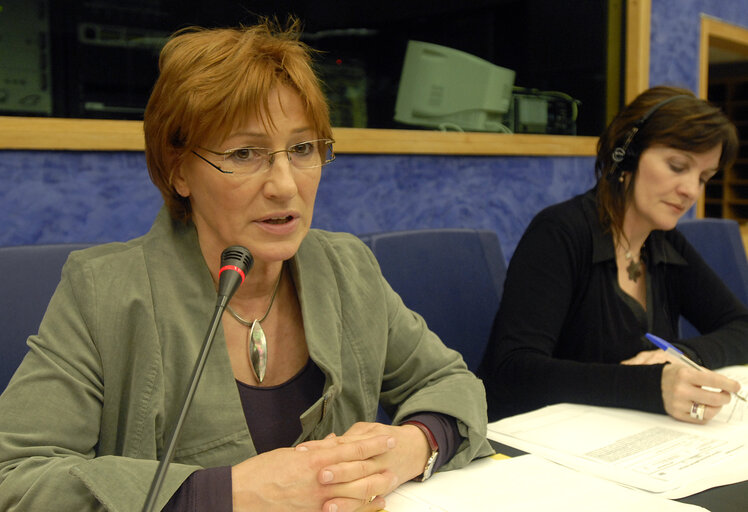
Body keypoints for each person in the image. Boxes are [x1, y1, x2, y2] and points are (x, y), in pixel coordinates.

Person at [0, 19, 492, 512]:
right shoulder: (103, 293)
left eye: (301, 149)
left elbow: (450, 384)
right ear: (179, 171)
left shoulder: (346, 267)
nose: (284, 184)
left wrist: (408, 448)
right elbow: (15, 477)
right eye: (244, 153)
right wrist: (228, 494)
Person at [479, 86, 748, 424]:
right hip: (538, 440)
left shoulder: (665, 243)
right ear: (627, 155)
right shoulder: (560, 231)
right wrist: (649, 387)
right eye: (678, 166)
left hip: (618, 434)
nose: (691, 190)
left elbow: (742, 327)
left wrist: (683, 356)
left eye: (703, 178)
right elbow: (514, 368)